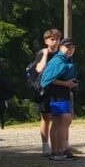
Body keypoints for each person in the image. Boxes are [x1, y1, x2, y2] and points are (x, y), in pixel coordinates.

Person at [39, 38, 78, 160]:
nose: (70, 50)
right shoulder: (58, 60)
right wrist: (66, 84)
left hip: (62, 94)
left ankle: (57, 152)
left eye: (72, 47)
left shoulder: (65, 59)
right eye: (67, 47)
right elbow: (46, 80)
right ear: (61, 47)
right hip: (56, 95)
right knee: (63, 120)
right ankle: (60, 151)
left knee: (58, 121)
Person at [33, 28, 61, 156]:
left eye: (57, 39)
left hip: (59, 89)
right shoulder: (42, 53)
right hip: (45, 89)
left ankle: (59, 145)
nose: (55, 42)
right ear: (46, 41)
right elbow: (39, 69)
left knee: (59, 117)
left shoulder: (61, 53)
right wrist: (45, 54)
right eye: (52, 39)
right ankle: (45, 144)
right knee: (46, 117)